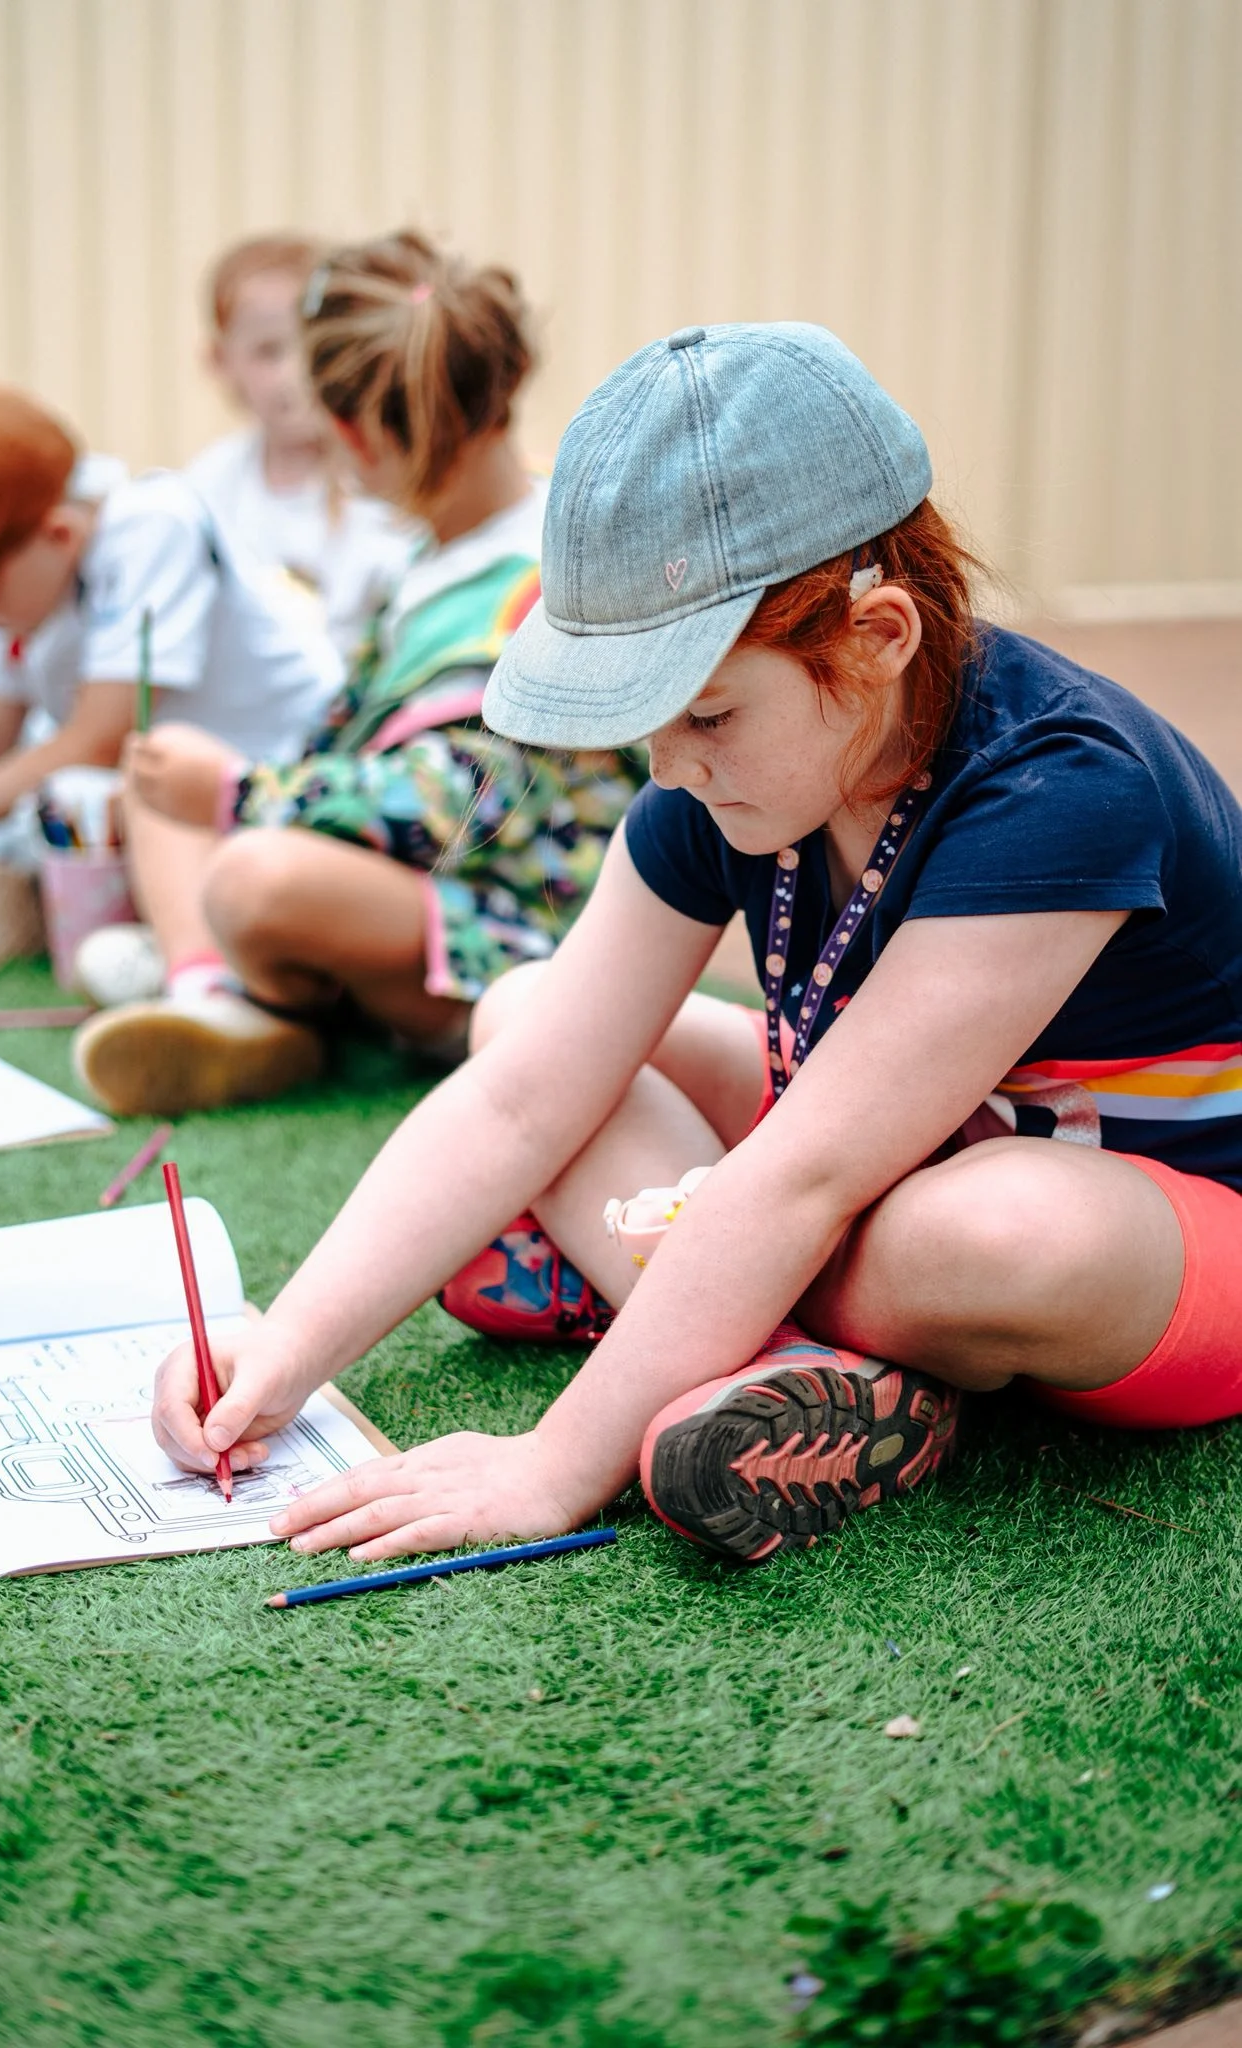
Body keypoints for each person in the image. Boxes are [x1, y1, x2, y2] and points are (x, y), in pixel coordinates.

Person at [150, 320, 1242, 1569]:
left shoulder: (1059, 784)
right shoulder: (732, 773)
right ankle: (790, 1369)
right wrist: (279, 1349)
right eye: (640, 722)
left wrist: (553, 1465)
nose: (665, 766)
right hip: (878, 1164)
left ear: (879, 638)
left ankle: (671, 1295)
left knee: (993, 1236)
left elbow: (806, 1177)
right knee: (524, 1014)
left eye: (706, 710)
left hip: (1163, 1235)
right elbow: (520, 1098)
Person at [73, 232, 644, 1117]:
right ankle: (213, 996)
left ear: (355, 433)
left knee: (252, 872)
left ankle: (264, 1000)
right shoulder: (439, 552)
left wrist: (239, 793)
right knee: (162, 769)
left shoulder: (541, 582)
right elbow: (346, 732)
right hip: (405, 899)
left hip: (518, 940)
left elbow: (451, 811)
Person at [0, 383, 341, 967]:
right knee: (43, 803)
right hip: (147, 791)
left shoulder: (152, 527)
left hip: (269, 774)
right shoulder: (24, 577)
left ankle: (117, 923)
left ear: (60, 536)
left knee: (92, 801)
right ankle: (28, 888)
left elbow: (96, 740)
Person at [186, 232, 413, 663]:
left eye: (312, 349)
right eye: (268, 352)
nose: (296, 374)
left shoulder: (380, 482)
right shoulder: (210, 485)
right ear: (220, 360)